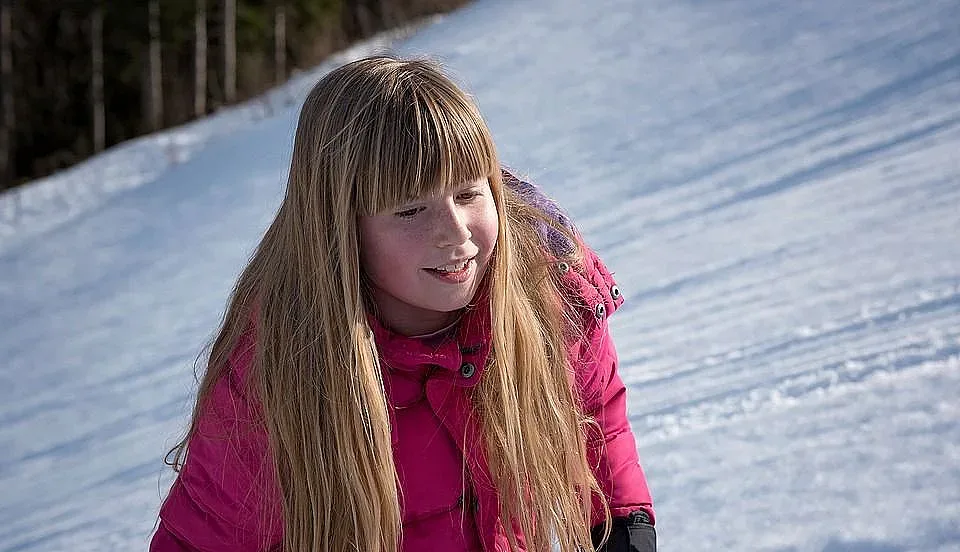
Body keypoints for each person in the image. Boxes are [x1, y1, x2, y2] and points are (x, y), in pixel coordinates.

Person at [150, 56, 655, 552]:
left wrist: (624, 530)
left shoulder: (549, 287)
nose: (455, 234)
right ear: (339, 229)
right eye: (411, 209)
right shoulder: (278, 366)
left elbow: (598, 427)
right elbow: (201, 534)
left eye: (467, 195)